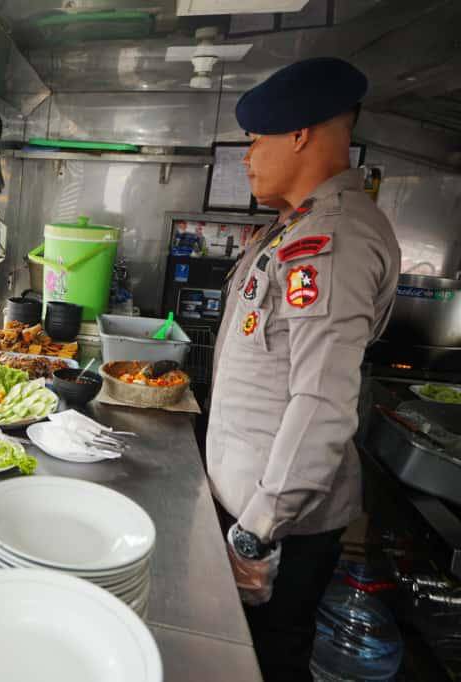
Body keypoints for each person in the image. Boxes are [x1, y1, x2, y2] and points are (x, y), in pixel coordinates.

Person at [206, 57, 401, 682]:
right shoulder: (294, 229)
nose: (247, 157)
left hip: (275, 528)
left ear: (299, 134)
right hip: (253, 511)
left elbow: (321, 403)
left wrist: (256, 531)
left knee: (266, 661)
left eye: (256, 139)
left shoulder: (334, 241)